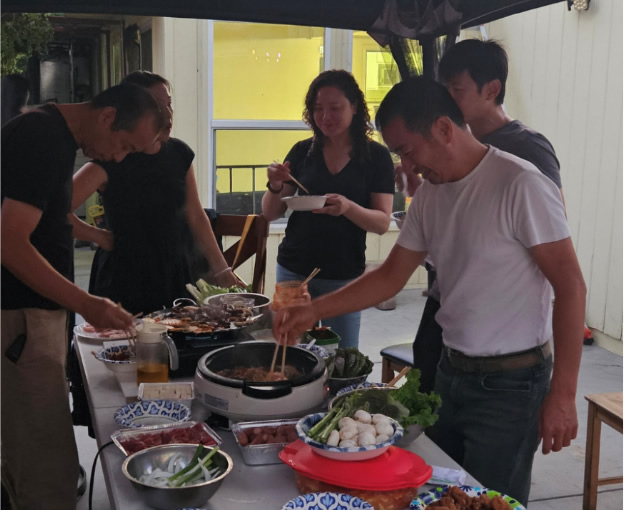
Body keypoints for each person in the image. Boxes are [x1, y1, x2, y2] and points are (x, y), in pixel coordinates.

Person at [273, 76, 586, 506]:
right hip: (449, 371)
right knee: (441, 495)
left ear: (442, 128)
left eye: (407, 151)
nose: (408, 166)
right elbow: (391, 276)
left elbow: (570, 286)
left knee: (491, 501)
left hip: (511, 384)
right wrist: (312, 311)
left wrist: (563, 395)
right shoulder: (431, 197)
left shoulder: (520, 184)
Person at [1, 83, 162, 510]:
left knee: (26, 454)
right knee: (47, 472)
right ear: (107, 116)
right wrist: (87, 304)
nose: (119, 158)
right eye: (124, 145)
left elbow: (47, 222)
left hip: (31, 317)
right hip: (21, 318)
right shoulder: (40, 137)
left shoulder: (51, 134)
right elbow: (9, 241)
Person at [396, 39, 567, 393]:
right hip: (449, 297)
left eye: (455, 90)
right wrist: (416, 182)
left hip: (505, 336)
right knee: (427, 382)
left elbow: (554, 227)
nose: (445, 99)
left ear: (491, 90)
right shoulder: (448, 145)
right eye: (443, 89)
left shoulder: (527, 150)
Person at [69, 71, 240, 316]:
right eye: (157, 107)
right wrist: (99, 236)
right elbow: (54, 210)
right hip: (125, 276)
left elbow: (196, 215)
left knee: (181, 333)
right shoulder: (111, 158)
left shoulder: (179, 153)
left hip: (175, 272)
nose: (167, 114)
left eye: (169, 104)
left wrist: (222, 271)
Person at [262, 69, 395, 348]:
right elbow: (271, 212)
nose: (325, 116)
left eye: (335, 108)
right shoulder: (302, 151)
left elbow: (382, 223)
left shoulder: (377, 157)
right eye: (318, 108)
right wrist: (274, 184)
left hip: (344, 275)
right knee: (289, 352)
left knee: (343, 358)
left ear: (354, 107)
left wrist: (347, 207)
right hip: (294, 270)